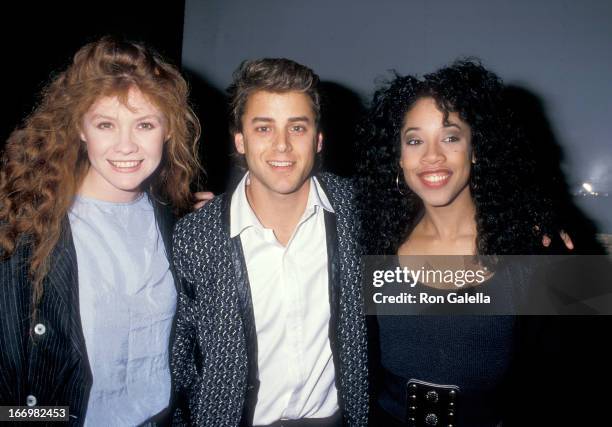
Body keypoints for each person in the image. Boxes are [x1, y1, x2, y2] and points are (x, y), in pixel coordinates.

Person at [355, 60, 581, 426]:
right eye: (414, 140)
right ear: (398, 158)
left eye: (450, 137)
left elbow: (577, 378)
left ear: (476, 149)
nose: (432, 156)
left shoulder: (538, 248)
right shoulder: (371, 246)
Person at [0, 36, 205, 425]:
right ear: (80, 128)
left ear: (167, 130)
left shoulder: (180, 224)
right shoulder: (26, 229)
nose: (126, 145)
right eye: (106, 124)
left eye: (144, 124)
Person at [171, 58, 369, 426]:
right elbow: (178, 365)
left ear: (319, 138)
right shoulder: (196, 236)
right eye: (264, 128)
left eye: (297, 127)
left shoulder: (357, 213)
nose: (282, 145)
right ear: (240, 140)